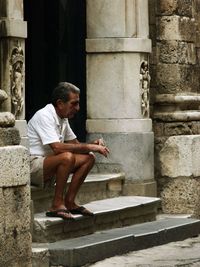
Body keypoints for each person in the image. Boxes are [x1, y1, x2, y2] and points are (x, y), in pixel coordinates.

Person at [28, 82, 109, 219]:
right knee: (67, 157)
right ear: (60, 103)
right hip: (32, 165)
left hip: (49, 164)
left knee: (89, 158)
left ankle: (69, 202)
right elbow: (57, 147)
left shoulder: (63, 119)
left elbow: (76, 145)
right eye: (74, 103)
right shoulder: (44, 115)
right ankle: (56, 205)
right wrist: (90, 147)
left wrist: (92, 144)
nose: (77, 108)